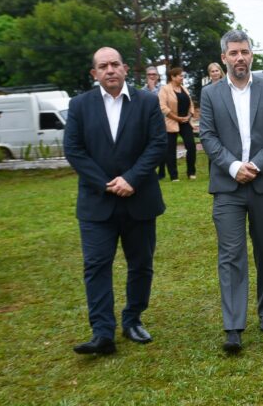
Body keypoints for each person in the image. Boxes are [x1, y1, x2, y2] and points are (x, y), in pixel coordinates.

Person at [63, 47, 167, 355]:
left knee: (140, 264)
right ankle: (102, 332)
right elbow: (74, 150)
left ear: (125, 69)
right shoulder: (80, 105)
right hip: (97, 203)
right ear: (94, 74)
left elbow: (158, 144)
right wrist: (106, 184)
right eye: (103, 66)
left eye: (115, 64)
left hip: (139, 199)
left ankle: (133, 319)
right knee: (96, 265)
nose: (110, 70)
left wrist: (131, 179)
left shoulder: (147, 103)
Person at [200, 29, 263, 353]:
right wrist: (234, 166)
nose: (240, 58)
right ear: (224, 57)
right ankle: (233, 326)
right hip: (227, 187)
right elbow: (207, 136)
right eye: (233, 53)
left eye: (245, 52)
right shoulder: (210, 95)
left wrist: (256, 165)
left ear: (252, 55)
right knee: (231, 254)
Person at [159, 67, 197, 181]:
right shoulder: (164, 89)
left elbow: (191, 104)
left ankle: (191, 172)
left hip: (185, 122)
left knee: (191, 146)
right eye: (180, 76)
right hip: (172, 122)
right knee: (170, 150)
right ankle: (174, 176)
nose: (182, 78)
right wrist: (176, 118)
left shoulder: (184, 89)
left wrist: (189, 116)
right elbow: (163, 107)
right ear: (173, 77)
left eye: (182, 76)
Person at [143, 65, 166, 179]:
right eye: (149, 74)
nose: (151, 76)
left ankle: (161, 172)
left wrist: (152, 89)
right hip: (146, 124)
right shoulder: (142, 91)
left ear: (158, 76)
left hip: (162, 122)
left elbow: (158, 103)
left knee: (160, 147)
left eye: (154, 74)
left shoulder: (163, 89)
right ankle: (150, 170)